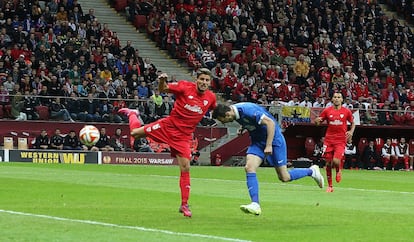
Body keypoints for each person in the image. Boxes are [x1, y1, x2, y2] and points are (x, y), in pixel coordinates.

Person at [118, 68, 217, 218]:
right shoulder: (184, 87)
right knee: (135, 134)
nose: (204, 82)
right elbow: (163, 88)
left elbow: (218, 111)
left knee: (186, 166)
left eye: (207, 80)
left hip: (183, 137)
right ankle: (133, 114)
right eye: (201, 79)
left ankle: (184, 204)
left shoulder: (211, 98)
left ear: (210, 83)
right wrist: (163, 80)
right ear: (196, 79)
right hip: (168, 126)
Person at [212, 102, 324, 216]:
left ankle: (311, 171)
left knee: (284, 177)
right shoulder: (235, 113)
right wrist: (244, 127)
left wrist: (269, 145)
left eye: (222, 120)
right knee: (249, 167)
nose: (224, 123)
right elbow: (250, 121)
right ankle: (255, 204)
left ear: (227, 114)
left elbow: (270, 123)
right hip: (257, 142)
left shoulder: (247, 110)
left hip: (274, 141)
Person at [315, 92, 355, 193]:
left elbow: (353, 123)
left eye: (339, 97)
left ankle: (338, 170)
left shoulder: (346, 111)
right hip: (328, 140)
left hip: (340, 140)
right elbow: (318, 123)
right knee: (328, 163)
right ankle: (330, 186)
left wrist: (351, 132)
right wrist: (317, 121)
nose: (337, 99)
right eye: (335, 97)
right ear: (332, 99)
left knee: (336, 161)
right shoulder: (327, 111)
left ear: (342, 100)